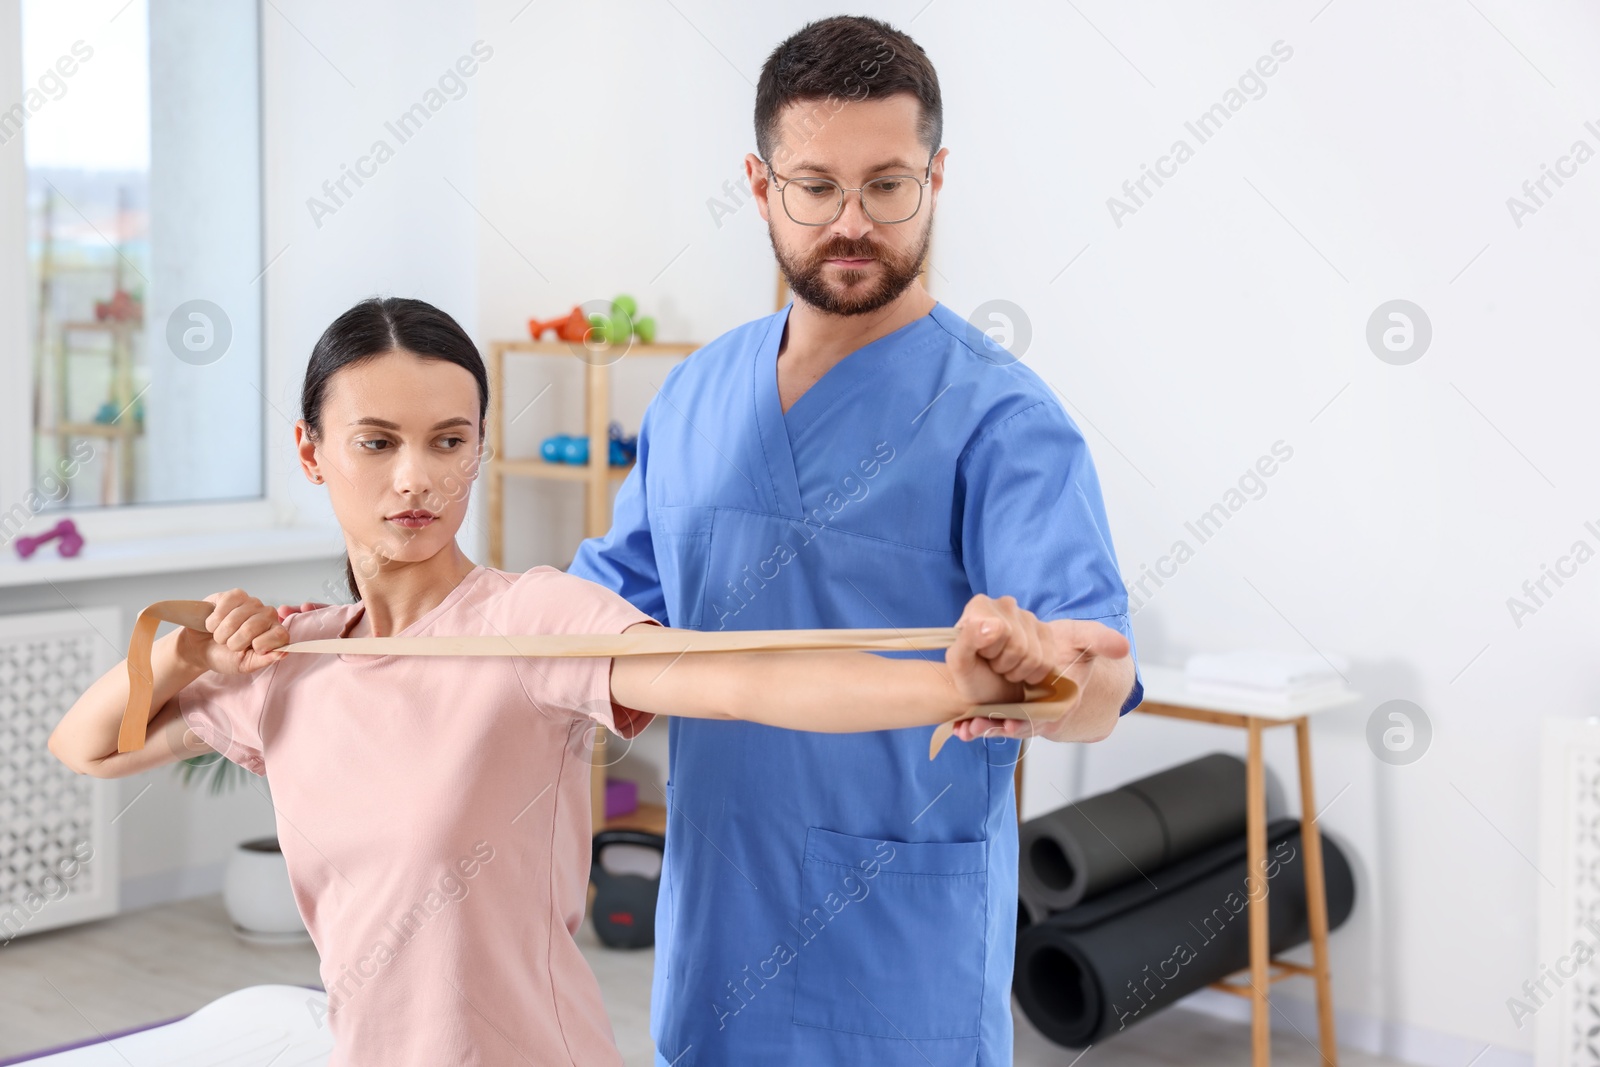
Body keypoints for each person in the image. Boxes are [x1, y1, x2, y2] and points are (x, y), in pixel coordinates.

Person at [46, 297, 1074, 1067]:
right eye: (377, 442)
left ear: (479, 450)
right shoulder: (289, 662)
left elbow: (743, 681)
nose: (416, 476)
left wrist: (959, 684)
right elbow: (86, 747)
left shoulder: (528, 619)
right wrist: (187, 651)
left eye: (448, 441)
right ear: (312, 453)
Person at [566, 15, 1144, 1066]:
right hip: (713, 944)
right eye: (814, 185)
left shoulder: (999, 416)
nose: (851, 222)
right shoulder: (696, 392)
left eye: (886, 184)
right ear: (758, 184)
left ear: (935, 175)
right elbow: (586, 614)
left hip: (899, 958)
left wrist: (1041, 674)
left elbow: (1094, 678)